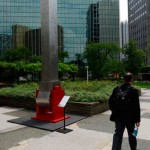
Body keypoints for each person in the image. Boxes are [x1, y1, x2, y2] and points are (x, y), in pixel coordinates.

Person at [109, 72, 141, 150]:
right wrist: (137, 120)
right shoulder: (134, 90)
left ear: (123, 79)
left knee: (118, 134)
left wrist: (114, 111)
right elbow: (136, 106)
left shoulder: (117, 88)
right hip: (130, 118)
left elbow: (110, 101)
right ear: (131, 79)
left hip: (119, 117)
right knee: (132, 135)